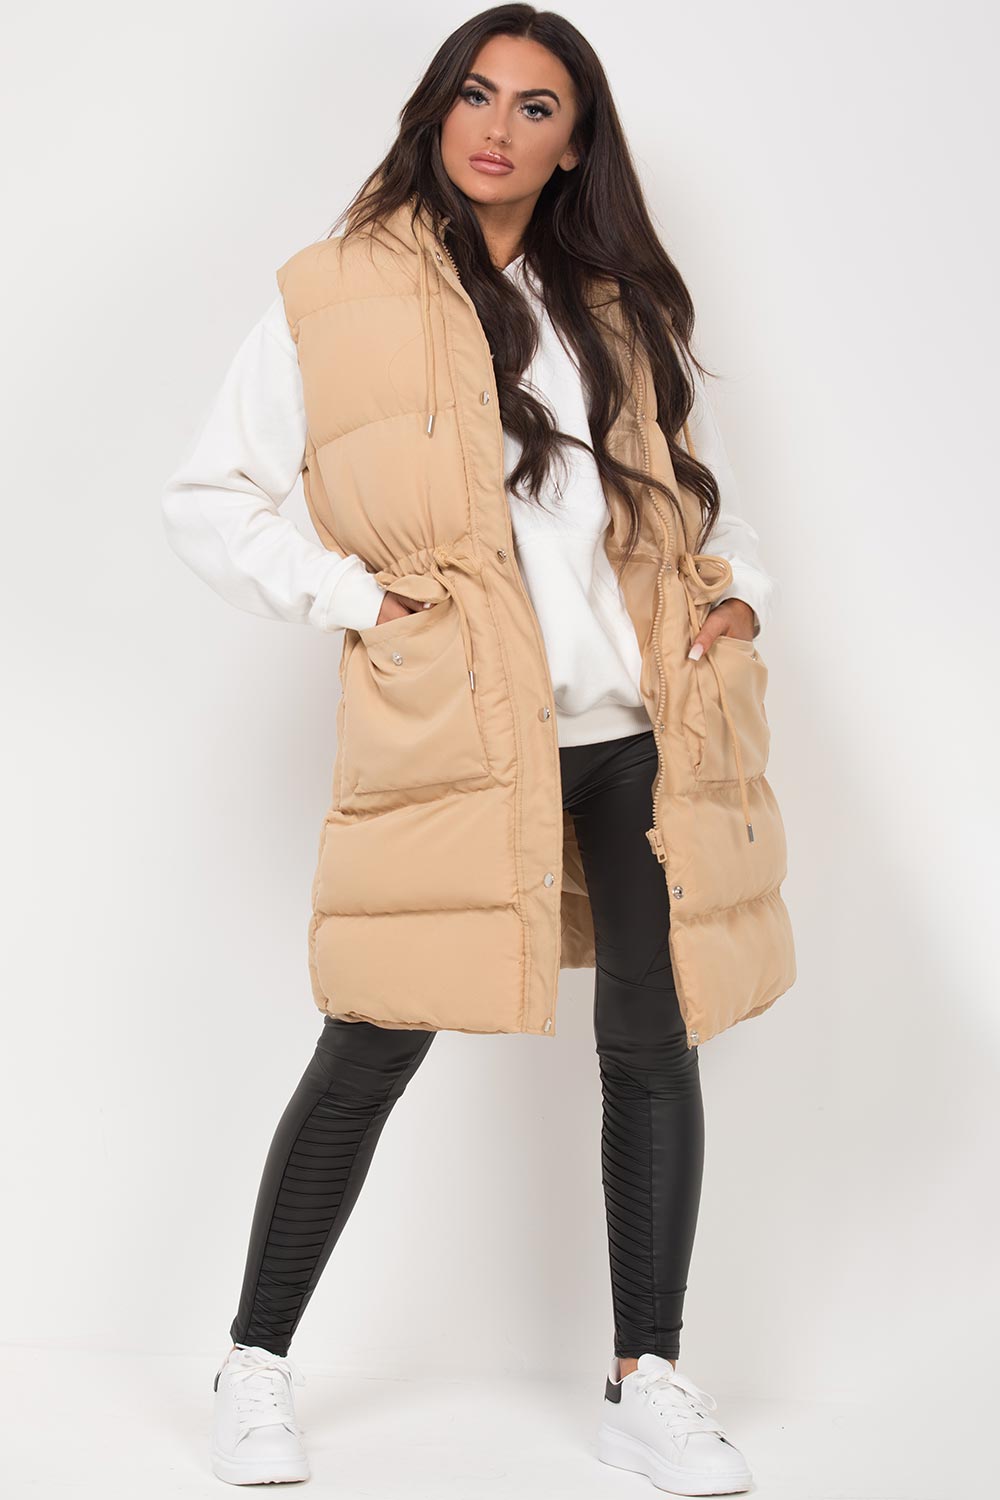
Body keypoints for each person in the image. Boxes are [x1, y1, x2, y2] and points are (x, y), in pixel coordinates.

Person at [162, 8, 789, 1493]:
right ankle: (254, 1363)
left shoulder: (611, 305)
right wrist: (356, 599)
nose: (499, 127)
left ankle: (648, 1377)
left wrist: (740, 597)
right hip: (460, 726)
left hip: (637, 727)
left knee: (653, 1043)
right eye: (477, 94)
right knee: (374, 1035)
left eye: (537, 106)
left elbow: (691, 493)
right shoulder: (333, 294)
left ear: (576, 142)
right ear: (436, 110)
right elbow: (209, 497)